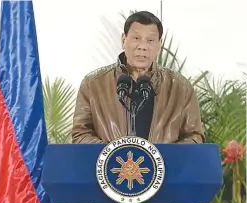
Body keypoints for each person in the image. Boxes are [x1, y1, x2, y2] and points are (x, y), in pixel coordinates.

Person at [71, 11, 205, 144]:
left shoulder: (181, 88)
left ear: (159, 45)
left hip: (165, 165)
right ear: (124, 40)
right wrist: (112, 154)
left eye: (150, 40)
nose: (142, 47)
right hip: (112, 165)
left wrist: (162, 158)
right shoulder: (93, 84)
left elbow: (194, 137)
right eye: (136, 38)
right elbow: (81, 134)